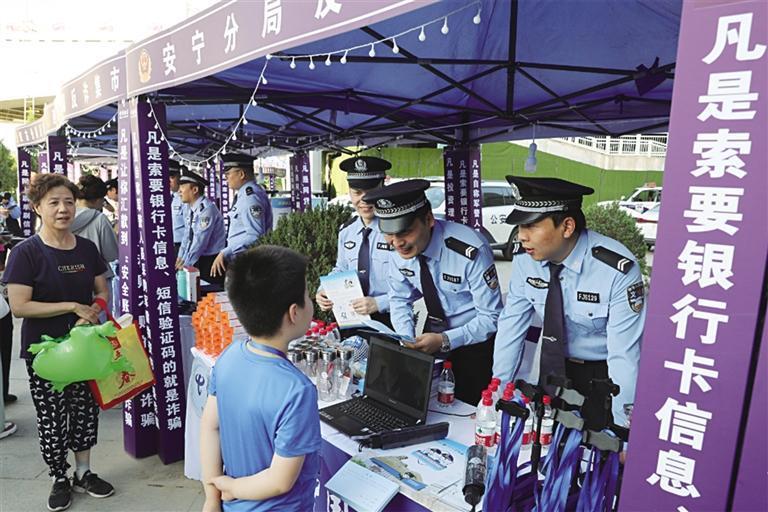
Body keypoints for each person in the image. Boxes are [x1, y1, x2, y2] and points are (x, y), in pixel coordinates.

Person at [492, 176, 645, 426]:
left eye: (531, 226)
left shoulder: (615, 270)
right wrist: (498, 394)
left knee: (601, 442)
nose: (521, 237)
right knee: (544, 438)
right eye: (519, 227)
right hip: (552, 369)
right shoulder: (525, 260)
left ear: (567, 227)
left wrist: (624, 428)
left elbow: (624, 356)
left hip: (603, 376)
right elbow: (511, 327)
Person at [3, 173, 114, 511]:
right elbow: (20, 306)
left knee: (84, 411)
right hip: (46, 352)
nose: (63, 209)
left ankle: (83, 472)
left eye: (68, 202)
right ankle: (59, 476)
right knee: (52, 416)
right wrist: (71, 306)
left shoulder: (87, 249)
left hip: (85, 349)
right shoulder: (26, 252)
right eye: (54, 203)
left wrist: (93, 311)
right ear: (37, 207)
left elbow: (102, 291)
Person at [200, 245, 320, 511]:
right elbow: (279, 481)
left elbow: (210, 426)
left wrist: (212, 495)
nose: (311, 301)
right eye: (307, 295)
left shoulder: (229, 356)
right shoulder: (297, 390)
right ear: (294, 313)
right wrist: (231, 487)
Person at [363, 180, 503, 405]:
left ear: (428, 219)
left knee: (468, 409)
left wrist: (445, 340)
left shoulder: (469, 249)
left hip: (473, 342)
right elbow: (399, 298)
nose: (397, 243)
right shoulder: (397, 247)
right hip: (431, 337)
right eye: (388, 233)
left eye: (405, 231)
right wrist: (406, 339)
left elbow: (491, 317)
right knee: (421, 404)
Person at [316, 156, 394, 327]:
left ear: (383, 188)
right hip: (351, 318)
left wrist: (379, 303)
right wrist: (324, 289)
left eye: (371, 192)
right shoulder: (347, 231)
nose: (364, 200)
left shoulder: (397, 231)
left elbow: (414, 284)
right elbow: (341, 268)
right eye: (357, 193)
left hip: (390, 319)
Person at [210, 153, 273, 279]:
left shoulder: (250, 198)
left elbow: (255, 236)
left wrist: (225, 252)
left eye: (228, 174)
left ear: (241, 174)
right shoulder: (244, 194)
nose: (226, 178)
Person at [175, 169, 226, 285]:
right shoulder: (190, 208)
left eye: (182, 187)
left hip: (211, 261)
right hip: (198, 258)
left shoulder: (207, 210)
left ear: (195, 190)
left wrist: (186, 264)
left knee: (208, 292)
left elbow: (199, 241)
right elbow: (187, 235)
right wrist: (180, 257)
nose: (179, 191)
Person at [169, 161, 187, 255]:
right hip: (168, 242)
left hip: (181, 245)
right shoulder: (165, 197)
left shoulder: (185, 197)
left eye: (172, 177)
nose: (168, 181)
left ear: (179, 177)